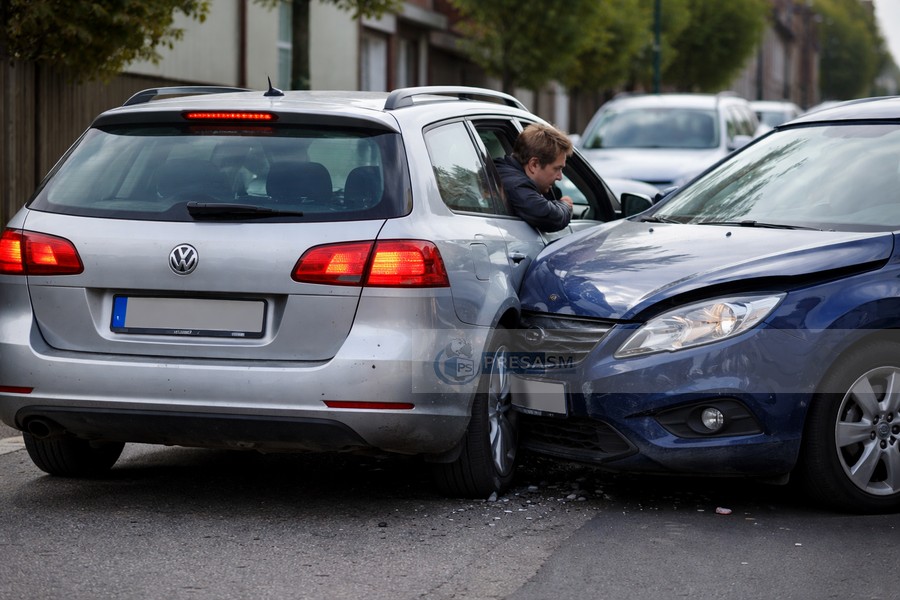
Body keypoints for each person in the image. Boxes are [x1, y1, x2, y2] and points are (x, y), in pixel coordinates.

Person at [494, 123, 574, 232]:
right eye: (557, 168)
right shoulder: (516, 184)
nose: (560, 177)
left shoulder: (505, 172)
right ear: (534, 164)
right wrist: (565, 205)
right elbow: (550, 217)